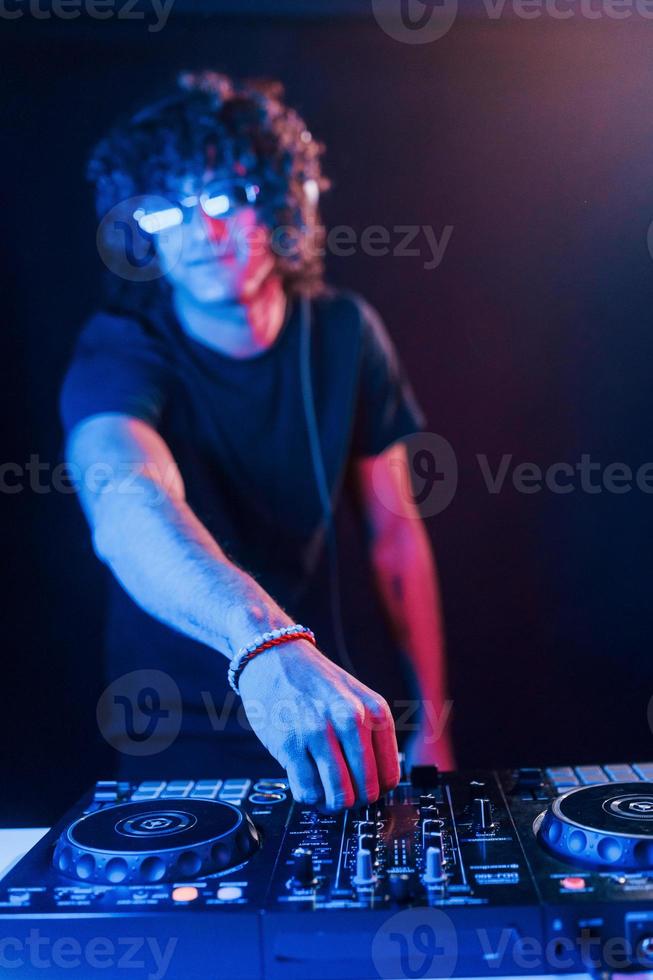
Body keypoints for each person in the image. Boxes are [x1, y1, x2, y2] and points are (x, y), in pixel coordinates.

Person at [60, 71, 453, 811]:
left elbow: (396, 536)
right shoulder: (120, 347)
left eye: (225, 198)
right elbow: (124, 498)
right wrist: (264, 646)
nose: (202, 232)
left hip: (327, 711)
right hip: (179, 730)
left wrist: (430, 717)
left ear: (283, 204)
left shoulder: (344, 331)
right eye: (169, 211)